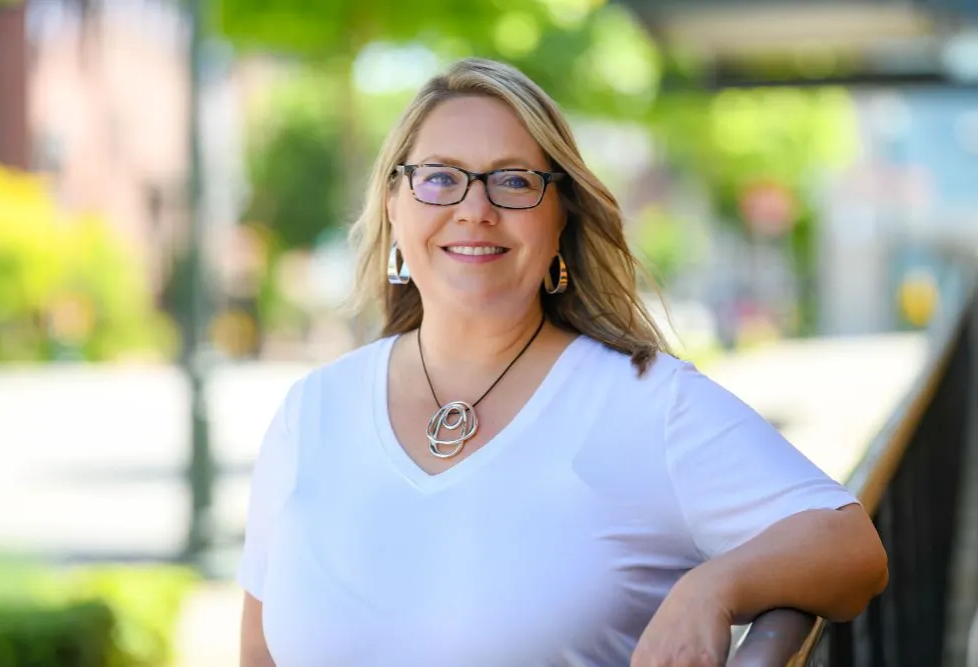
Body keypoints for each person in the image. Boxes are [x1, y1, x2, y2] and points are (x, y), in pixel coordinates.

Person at [237, 58, 888, 667]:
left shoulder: (644, 403)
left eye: (514, 180)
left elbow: (851, 547)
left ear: (560, 220)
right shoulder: (311, 411)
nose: (474, 209)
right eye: (440, 176)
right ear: (393, 204)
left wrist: (713, 586)